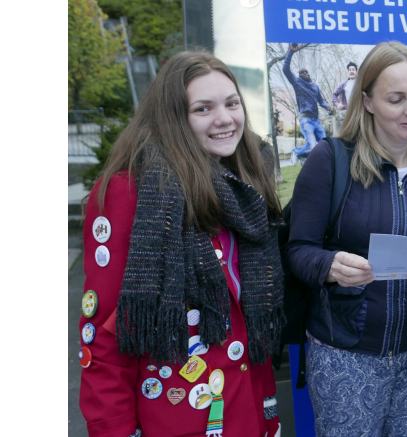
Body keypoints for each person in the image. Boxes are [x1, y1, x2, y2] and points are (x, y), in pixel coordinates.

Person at [78, 51, 285, 437]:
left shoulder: (244, 188)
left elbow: (250, 325)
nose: (225, 119)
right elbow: (105, 337)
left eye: (232, 103)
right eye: (203, 108)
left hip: (247, 410)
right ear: (174, 119)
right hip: (176, 418)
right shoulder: (131, 194)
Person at [285, 41, 407, 437]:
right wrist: (329, 266)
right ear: (366, 101)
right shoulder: (330, 160)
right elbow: (297, 250)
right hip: (343, 355)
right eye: (396, 99)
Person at [283, 43, 334, 162]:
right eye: (302, 73)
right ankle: (296, 151)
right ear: (299, 75)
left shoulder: (315, 87)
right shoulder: (297, 83)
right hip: (306, 120)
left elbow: (321, 100)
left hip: (316, 121)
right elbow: (285, 69)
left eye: (306, 72)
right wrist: (291, 52)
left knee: (325, 146)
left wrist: (328, 107)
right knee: (312, 146)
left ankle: (304, 156)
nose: (305, 74)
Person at [332, 61, 358, 133]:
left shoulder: (360, 83)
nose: (351, 71)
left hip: (359, 111)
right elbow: (334, 94)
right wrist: (337, 104)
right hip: (348, 111)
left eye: (353, 69)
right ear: (348, 72)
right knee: (348, 132)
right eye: (350, 70)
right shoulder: (343, 84)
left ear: (356, 71)